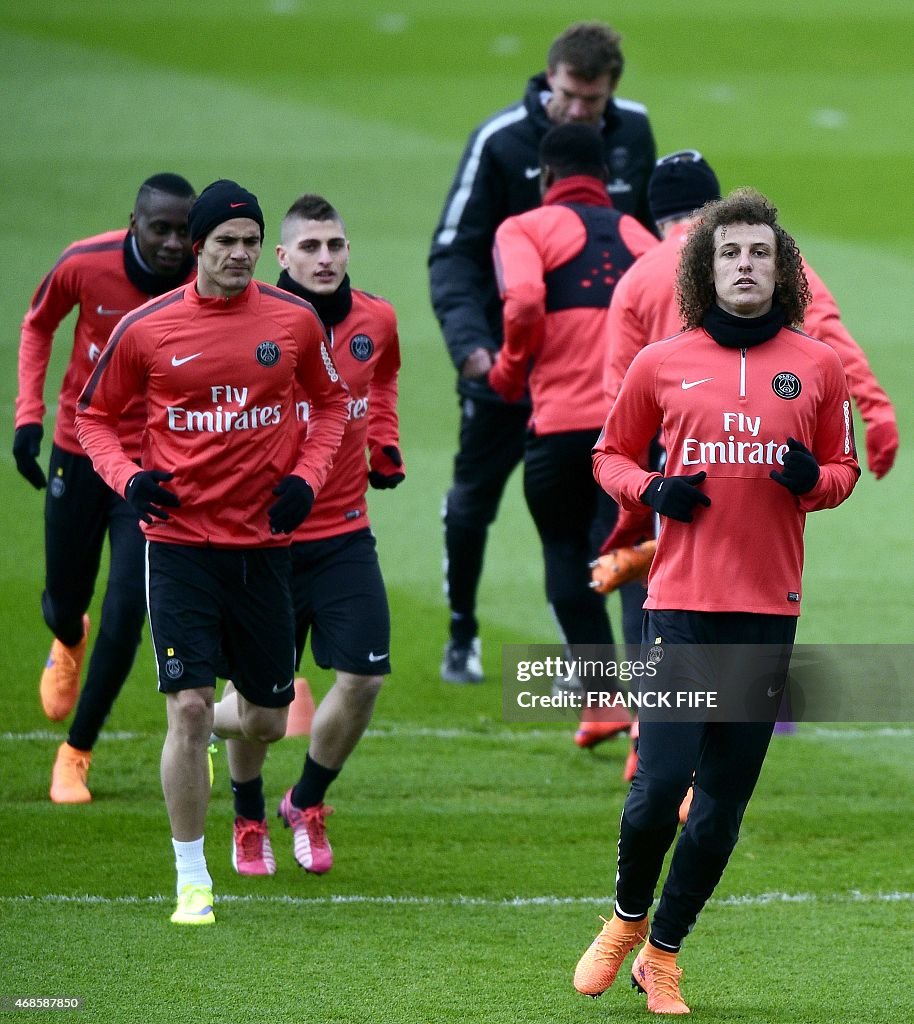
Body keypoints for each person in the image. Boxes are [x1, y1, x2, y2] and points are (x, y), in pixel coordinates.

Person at [573, 188, 859, 1013]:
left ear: (782, 271)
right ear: (707, 266)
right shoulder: (661, 361)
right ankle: (624, 921)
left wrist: (816, 483)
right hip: (680, 609)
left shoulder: (817, 366)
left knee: (721, 809)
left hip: (768, 610)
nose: (744, 265)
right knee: (659, 786)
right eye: (730, 253)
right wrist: (656, 487)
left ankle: (662, 953)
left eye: (759, 254)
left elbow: (842, 470)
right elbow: (609, 455)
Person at [74, 180, 350, 925]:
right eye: (225, 242)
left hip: (262, 547)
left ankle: (219, 727)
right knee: (189, 709)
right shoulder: (147, 327)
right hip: (177, 547)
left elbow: (328, 407)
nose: (239, 254)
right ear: (197, 248)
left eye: (250, 241)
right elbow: (93, 417)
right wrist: (129, 481)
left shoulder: (291, 322)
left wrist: (305, 477)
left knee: (263, 720)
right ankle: (191, 877)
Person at [595, 150, 901, 777]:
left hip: (669, 473)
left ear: (656, 218)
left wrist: (642, 492)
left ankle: (648, 736)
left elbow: (614, 404)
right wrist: (876, 410)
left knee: (655, 590)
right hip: (759, 492)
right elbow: (830, 342)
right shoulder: (774, 264)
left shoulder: (639, 276)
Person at [429, 21, 657, 682]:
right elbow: (453, 253)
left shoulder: (633, 131)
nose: (580, 111)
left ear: (612, 88)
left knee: (589, 516)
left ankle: (587, 669)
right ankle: (462, 634)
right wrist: (474, 351)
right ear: (548, 79)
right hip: (504, 369)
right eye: (569, 96)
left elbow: (651, 243)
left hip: (592, 377)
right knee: (475, 501)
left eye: (593, 100)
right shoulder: (500, 141)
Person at [211, 194, 404, 877]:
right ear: (282, 257)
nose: (326, 258)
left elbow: (381, 383)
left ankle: (305, 802)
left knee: (363, 679)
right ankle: (247, 813)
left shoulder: (375, 319)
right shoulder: (250, 322)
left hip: (346, 535)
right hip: (262, 544)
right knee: (260, 704)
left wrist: (384, 443)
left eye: (336, 246)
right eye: (311, 248)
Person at [13, 173, 197, 804]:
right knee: (66, 599)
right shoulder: (83, 264)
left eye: (184, 231)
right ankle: (67, 637)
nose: (175, 243)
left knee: (127, 612)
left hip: (152, 469)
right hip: (79, 447)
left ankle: (77, 751)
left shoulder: (208, 281)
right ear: (134, 224)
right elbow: (38, 325)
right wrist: (27, 417)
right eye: (161, 229)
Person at [487, 123, 656, 743]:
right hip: (633, 432)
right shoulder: (641, 237)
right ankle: (650, 712)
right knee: (634, 557)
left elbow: (526, 301)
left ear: (546, 175)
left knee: (564, 551)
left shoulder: (524, 228)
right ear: (607, 179)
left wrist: (509, 371)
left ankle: (607, 699)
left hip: (558, 427)